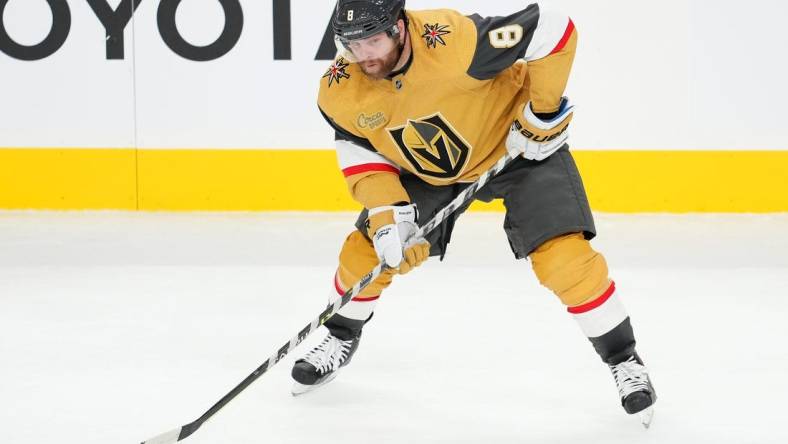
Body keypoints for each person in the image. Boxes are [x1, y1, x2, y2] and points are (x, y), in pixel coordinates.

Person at [291, 0, 657, 424]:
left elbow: (553, 29)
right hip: (427, 171)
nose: (364, 55)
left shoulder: (455, 43)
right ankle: (339, 336)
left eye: (373, 40)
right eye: (352, 45)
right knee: (366, 252)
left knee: (565, 260)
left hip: (518, 151)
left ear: (400, 28)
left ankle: (623, 359)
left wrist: (542, 112)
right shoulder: (341, 88)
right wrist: (387, 214)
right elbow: (359, 150)